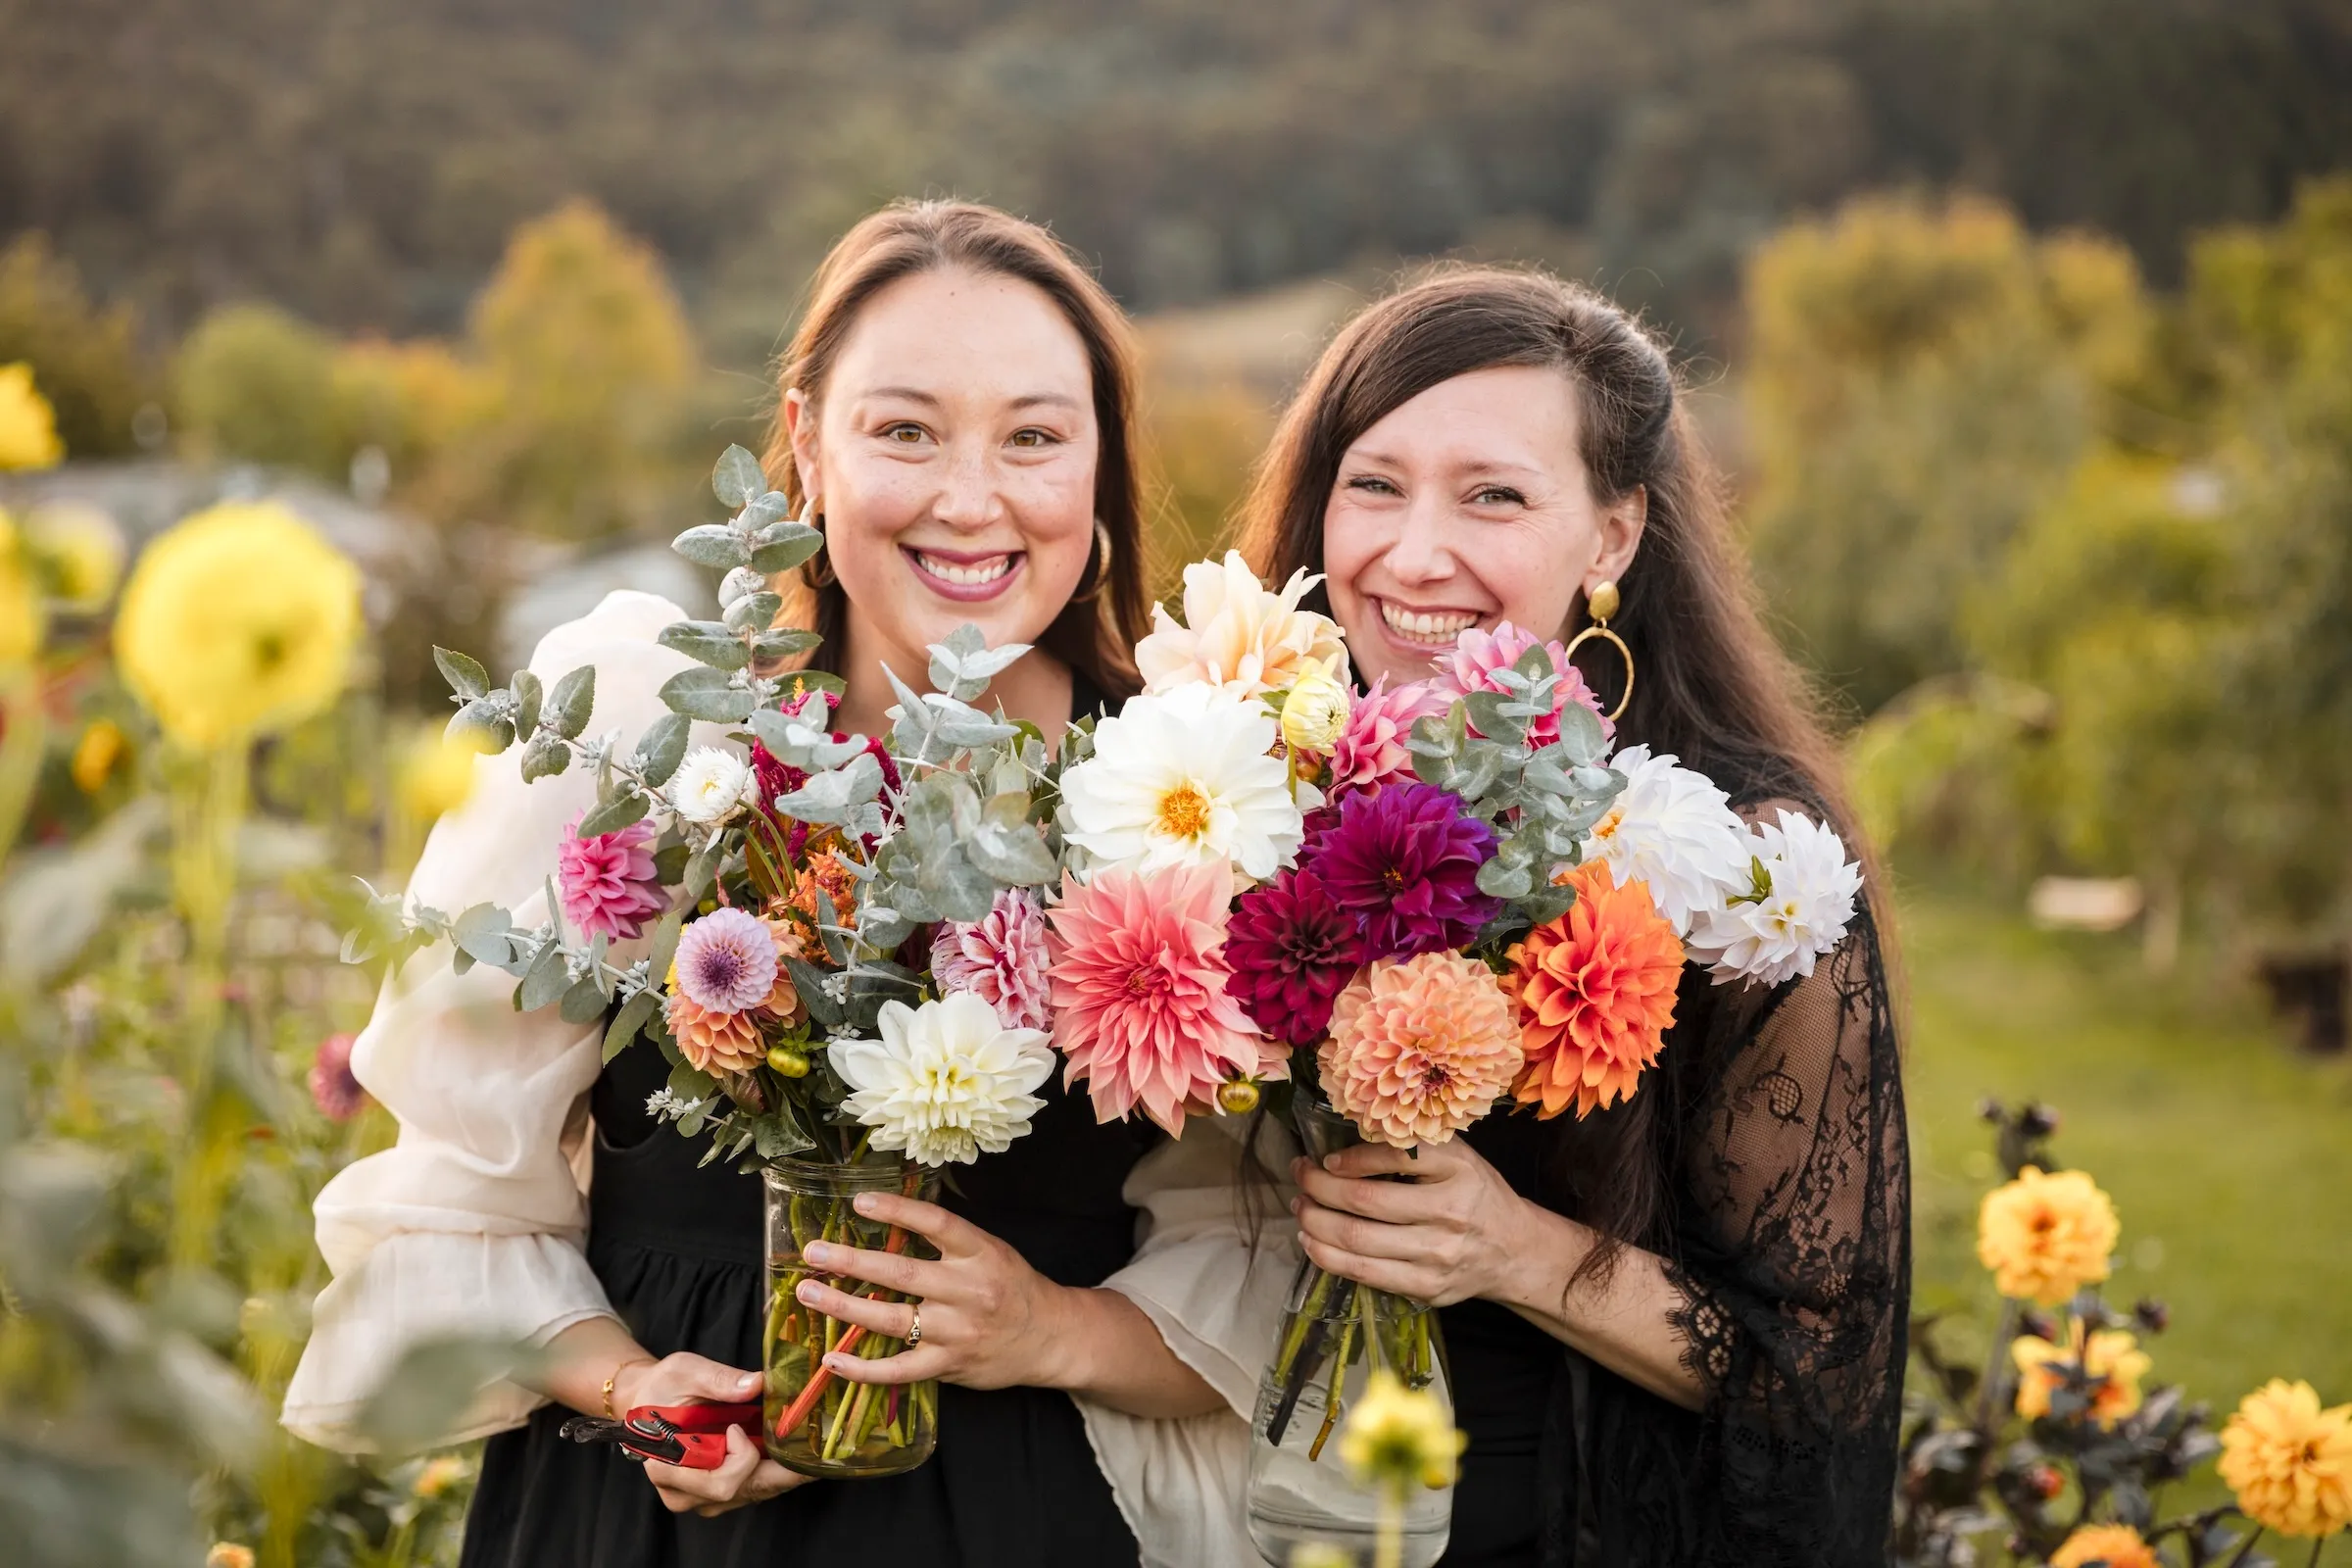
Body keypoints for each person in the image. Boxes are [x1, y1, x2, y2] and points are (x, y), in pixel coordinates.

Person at [282, 200, 1277, 1568]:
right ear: (807, 443)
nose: (970, 499)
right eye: (905, 430)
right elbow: (454, 1197)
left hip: (1027, 1516)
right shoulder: (645, 733)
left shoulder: (1193, 791)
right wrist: (637, 1395)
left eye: (1034, 437)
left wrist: (1046, 1326)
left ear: (1099, 463)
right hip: (650, 1528)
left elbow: (1252, 1283)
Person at [1233, 267, 1911, 1566]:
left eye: (1493, 495)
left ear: (1611, 537)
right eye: (1374, 484)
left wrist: (1515, 1251)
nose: (1413, 554)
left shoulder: (1743, 869)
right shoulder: (1239, 785)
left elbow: (1819, 1374)